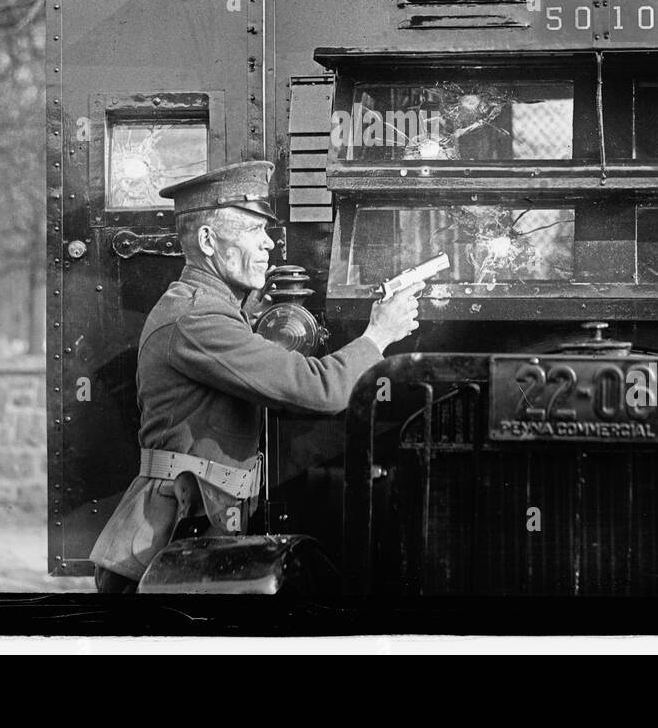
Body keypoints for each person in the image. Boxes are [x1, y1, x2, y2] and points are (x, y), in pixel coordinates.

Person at [90, 160, 421, 593]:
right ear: (208, 240)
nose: (268, 244)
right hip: (174, 534)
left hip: (199, 523)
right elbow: (319, 389)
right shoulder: (197, 319)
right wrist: (378, 335)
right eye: (252, 231)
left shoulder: (212, 310)